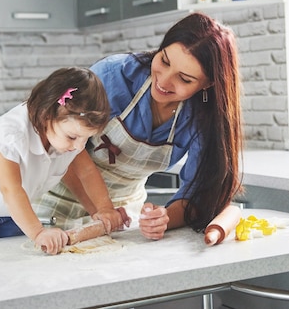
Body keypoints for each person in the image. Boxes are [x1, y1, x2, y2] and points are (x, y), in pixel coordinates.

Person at [34, 12, 244, 244]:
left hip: (124, 220)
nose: (164, 81)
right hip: (55, 203)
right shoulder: (114, 76)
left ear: (209, 84)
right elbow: (66, 148)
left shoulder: (203, 115)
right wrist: (101, 210)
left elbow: (198, 193)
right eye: (164, 61)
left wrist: (163, 218)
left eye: (184, 79)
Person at [0, 67, 129, 255]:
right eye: (73, 137)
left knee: (14, 259)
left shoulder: (65, 138)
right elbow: (11, 189)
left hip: (13, 209)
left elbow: (85, 172)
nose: (80, 147)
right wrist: (38, 232)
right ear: (46, 116)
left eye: (86, 139)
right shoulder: (12, 134)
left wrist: (102, 209)